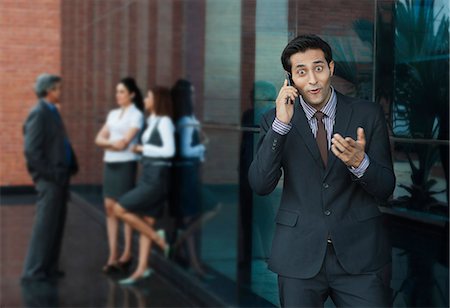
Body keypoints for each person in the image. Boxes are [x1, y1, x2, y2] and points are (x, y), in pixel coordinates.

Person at [248, 34, 396, 307]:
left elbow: (386, 188)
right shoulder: (274, 120)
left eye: (318, 68)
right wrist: (282, 125)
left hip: (360, 256)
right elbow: (260, 184)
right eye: (301, 72)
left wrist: (359, 163)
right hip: (297, 255)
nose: (313, 80)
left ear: (331, 68)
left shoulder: (367, 113)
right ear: (290, 78)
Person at [113, 86, 175, 284]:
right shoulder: (153, 120)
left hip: (156, 178)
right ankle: (141, 270)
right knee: (146, 221)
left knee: (119, 208)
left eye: (148, 97)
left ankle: (159, 240)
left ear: (157, 99)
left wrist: (141, 147)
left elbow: (168, 150)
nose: (145, 100)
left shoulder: (164, 121)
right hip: (148, 174)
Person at [22, 73, 79, 281]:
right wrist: (50, 174)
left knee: (56, 224)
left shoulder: (52, 111)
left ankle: (50, 267)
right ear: (49, 90)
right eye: (59, 88)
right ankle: (34, 271)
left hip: (60, 177)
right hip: (50, 179)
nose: (61, 92)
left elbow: (60, 142)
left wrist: (71, 163)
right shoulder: (39, 113)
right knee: (44, 226)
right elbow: (31, 151)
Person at [95, 77, 144, 273]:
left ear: (132, 94)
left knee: (124, 208)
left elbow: (124, 143)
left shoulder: (137, 115)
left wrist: (110, 143)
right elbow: (98, 139)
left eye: (122, 91)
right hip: (110, 163)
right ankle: (113, 254)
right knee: (109, 207)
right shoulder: (113, 114)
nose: (118, 95)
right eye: (117, 91)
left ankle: (127, 253)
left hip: (126, 164)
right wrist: (110, 145)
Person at [170, 79, 210, 277]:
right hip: (187, 174)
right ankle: (193, 263)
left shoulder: (181, 119)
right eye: (192, 93)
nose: (195, 96)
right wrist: (203, 145)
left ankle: (181, 253)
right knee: (193, 216)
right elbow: (187, 150)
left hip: (183, 173)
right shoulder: (186, 121)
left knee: (186, 218)